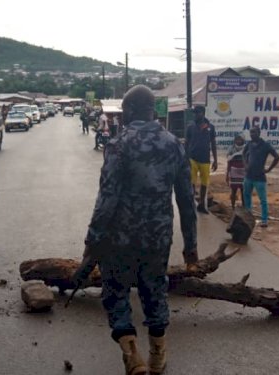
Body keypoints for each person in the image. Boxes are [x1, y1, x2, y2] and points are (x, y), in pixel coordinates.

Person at [84, 85, 197, 375]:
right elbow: (186, 200)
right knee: (154, 290)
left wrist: (92, 243)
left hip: (119, 239)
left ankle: (132, 355)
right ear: (152, 111)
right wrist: (191, 245)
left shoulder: (119, 143)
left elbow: (106, 199)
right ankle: (158, 355)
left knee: (116, 291)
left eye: (123, 111)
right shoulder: (174, 144)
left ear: (131, 111)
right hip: (158, 238)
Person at [243, 125, 279, 227]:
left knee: (263, 200)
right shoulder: (249, 144)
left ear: (259, 133)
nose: (252, 134)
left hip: (260, 177)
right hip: (248, 176)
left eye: (254, 132)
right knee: (246, 197)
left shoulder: (265, 145)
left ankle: (264, 220)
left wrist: (269, 169)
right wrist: (245, 165)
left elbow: (277, 157)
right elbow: (243, 153)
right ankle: (248, 217)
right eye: (251, 132)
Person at [184, 105, 218, 214]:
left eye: (197, 113)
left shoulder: (210, 127)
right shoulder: (190, 127)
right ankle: (191, 204)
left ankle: (202, 205)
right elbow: (186, 143)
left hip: (205, 159)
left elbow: (213, 144)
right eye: (194, 113)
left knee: (204, 184)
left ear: (202, 113)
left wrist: (216, 160)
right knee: (192, 183)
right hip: (192, 158)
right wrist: (184, 157)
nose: (195, 115)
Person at [226, 134, 247, 209]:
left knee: (243, 191)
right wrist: (227, 175)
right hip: (233, 172)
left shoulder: (246, 148)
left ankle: (244, 207)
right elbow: (228, 161)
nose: (238, 141)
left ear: (243, 140)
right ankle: (233, 207)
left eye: (240, 139)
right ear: (234, 140)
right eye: (237, 139)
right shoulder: (231, 148)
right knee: (233, 191)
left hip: (243, 172)